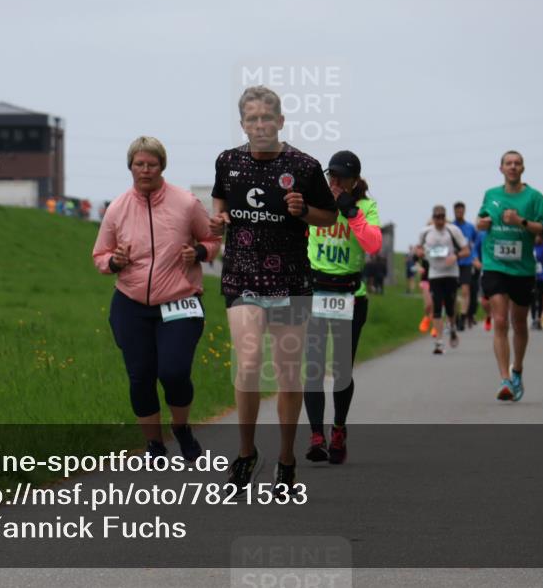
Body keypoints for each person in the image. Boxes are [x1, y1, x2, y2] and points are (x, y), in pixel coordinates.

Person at [210, 86, 338, 493]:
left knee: (287, 374)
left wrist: (304, 211)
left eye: (268, 118)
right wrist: (219, 220)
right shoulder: (227, 161)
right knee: (247, 363)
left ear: (281, 121)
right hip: (242, 277)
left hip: (290, 279)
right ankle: (246, 453)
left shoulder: (303, 165)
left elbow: (328, 216)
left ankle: (286, 457)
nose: (260, 125)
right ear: (243, 123)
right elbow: (219, 202)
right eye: (253, 119)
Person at [92, 136, 222, 462]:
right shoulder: (117, 209)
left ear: (162, 166)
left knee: (174, 372)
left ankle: (181, 429)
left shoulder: (186, 203)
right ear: (131, 167)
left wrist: (201, 252)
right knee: (141, 375)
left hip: (179, 300)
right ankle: (154, 445)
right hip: (130, 303)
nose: (145, 170)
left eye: (151, 164)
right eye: (139, 164)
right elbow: (100, 255)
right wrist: (114, 262)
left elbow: (211, 238)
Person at [304, 151, 382, 465]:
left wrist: (349, 210)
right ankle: (316, 436)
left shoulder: (365, 206)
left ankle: (338, 429)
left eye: (341, 178)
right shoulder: (316, 202)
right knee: (312, 367)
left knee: (341, 370)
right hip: (314, 291)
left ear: (353, 181)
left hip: (350, 295)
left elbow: (373, 245)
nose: (334, 182)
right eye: (330, 176)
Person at [476, 150, 543, 402]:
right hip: (495, 264)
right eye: (508, 163)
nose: (513, 166)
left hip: (523, 268)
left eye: (517, 163)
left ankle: (517, 370)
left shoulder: (535, 197)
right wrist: (482, 223)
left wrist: (520, 221)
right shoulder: (491, 194)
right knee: (499, 319)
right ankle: (504, 380)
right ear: (501, 168)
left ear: (523, 169)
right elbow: (482, 218)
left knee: (519, 322)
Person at [420, 205, 471, 354]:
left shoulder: (453, 231)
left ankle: (453, 328)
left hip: (451, 273)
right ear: (433, 218)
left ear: (445, 217)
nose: (440, 220)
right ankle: (439, 342)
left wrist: (455, 256)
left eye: (442, 217)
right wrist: (420, 252)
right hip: (434, 274)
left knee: (450, 307)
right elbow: (418, 249)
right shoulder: (425, 232)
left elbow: (466, 250)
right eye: (437, 217)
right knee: (436, 307)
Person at [452, 201, 481, 330]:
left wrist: (475, 258)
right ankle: (455, 316)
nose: (459, 213)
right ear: (454, 212)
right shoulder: (450, 227)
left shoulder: (470, 227)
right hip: (453, 263)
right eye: (457, 211)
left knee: (465, 290)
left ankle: (463, 318)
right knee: (452, 293)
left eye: (461, 211)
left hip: (466, 263)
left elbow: (474, 244)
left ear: (464, 211)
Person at [531, 234, 543, 329]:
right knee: (533, 298)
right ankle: (533, 318)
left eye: (539, 236)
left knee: (541, 298)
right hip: (532, 275)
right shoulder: (530, 246)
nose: (537, 238)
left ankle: (539, 318)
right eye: (536, 237)